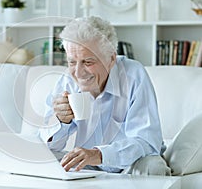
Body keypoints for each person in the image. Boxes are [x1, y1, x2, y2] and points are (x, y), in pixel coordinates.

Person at [39, 16, 171, 175]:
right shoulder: (68, 80)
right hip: (87, 164)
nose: (78, 73)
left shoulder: (134, 76)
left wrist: (100, 155)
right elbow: (47, 145)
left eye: (88, 62)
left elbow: (147, 142)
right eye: (72, 62)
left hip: (128, 166)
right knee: (39, 159)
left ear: (111, 58)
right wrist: (61, 121)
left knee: (152, 165)